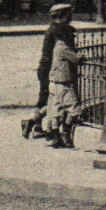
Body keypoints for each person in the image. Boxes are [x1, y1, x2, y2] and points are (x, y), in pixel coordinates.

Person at [22, 3, 76, 139]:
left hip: (46, 68)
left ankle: (36, 126)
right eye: (68, 15)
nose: (71, 17)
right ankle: (34, 123)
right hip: (51, 70)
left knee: (46, 98)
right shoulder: (59, 31)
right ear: (61, 16)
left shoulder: (54, 29)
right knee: (53, 99)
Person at [38, 18, 84, 149]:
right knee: (75, 110)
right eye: (71, 35)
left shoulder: (56, 47)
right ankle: (65, 133)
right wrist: (81, 56)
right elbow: (77, 59)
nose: (73, 38)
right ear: (64, 36)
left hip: (54, 82)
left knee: (56, 111)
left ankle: (55, 136)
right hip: (63, 84)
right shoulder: (62, 47)